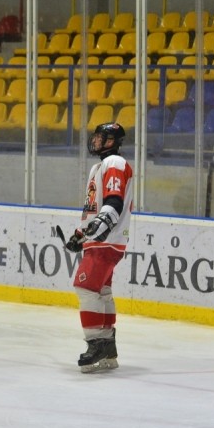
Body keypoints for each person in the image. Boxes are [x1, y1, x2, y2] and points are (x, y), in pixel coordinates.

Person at [62, 122, 132, 373]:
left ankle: (96, 343)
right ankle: (108, 347)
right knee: (102, 291)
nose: (96, 141)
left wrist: (101, 226)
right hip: (102, 239)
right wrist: (80, 235)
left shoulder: (115, 163)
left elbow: (114, 201)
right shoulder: (99, 167)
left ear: (112, 141)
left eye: (101, 137)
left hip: (107, 239)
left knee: (85, 287)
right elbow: (95, 209)